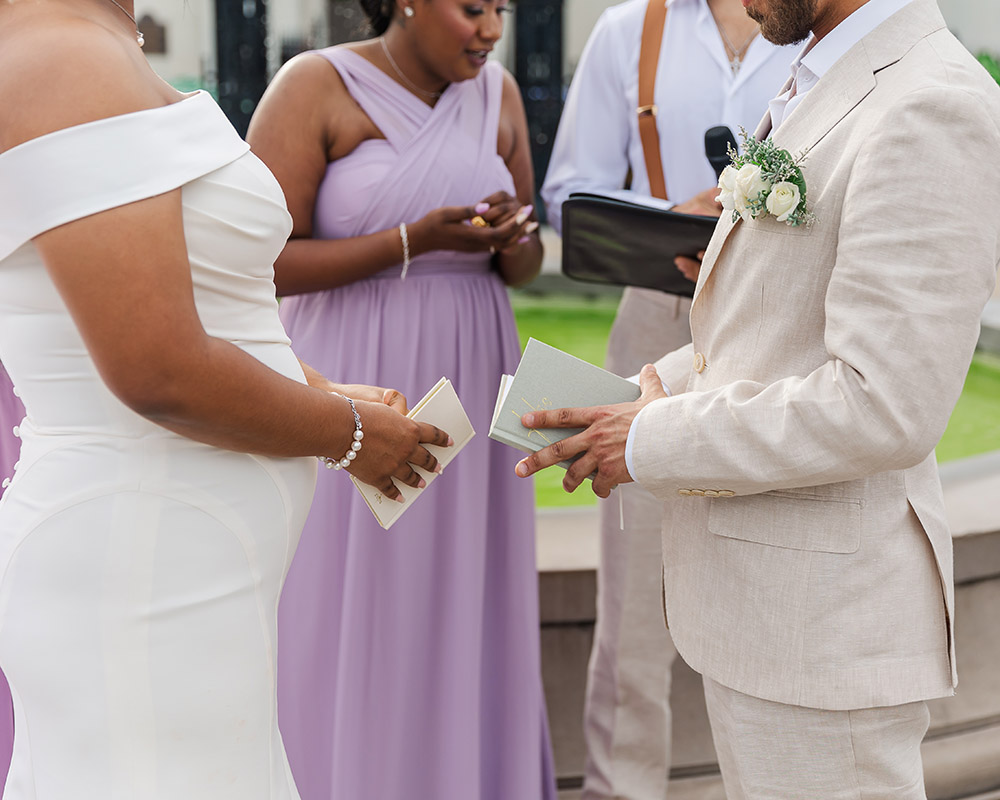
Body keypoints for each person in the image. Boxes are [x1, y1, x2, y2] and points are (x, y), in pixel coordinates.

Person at [516, 0, 1000, 796]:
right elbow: (774, 322)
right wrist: (650, 388)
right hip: (770, 619)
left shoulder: (930, 103)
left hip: (827, 637)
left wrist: (648, 441)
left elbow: (882, 405)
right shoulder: (823, 75)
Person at [0, 1, 451, 797]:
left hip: (181, 557)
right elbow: (157, 369)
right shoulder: (62, 54)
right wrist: (347, 434)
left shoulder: (94, 43)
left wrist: (312, 388)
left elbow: (194, 308)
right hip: (140, 561)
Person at [245, 0, 555, 798]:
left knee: (464, 595)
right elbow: (258, 263)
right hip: (351, 376)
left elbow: (524, 263)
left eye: (502, 10)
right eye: (473, 8)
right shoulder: (313, 86)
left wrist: (511, 239)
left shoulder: (502, 96)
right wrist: (413, 240)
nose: (492, 29)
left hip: (474, 374)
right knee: (345, 594)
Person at [540, 1, 796, 796]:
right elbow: (568, 196)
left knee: (778, 592)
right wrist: (671, 217)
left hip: (780, 329)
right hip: (656, 318)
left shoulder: (811, 27)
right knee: (633, 609)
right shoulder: (627, 33)